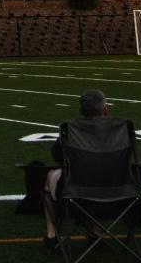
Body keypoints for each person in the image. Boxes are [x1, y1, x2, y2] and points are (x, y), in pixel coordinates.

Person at [43, 91, 111, 245]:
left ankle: (52, 235)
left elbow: (57, 156)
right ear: (105, 110)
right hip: (120, 194)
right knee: (99, 177)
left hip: (76, 193)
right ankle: (95, 231)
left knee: (50, 175)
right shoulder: (121, 129)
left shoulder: (71, 130)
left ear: (82, 111)